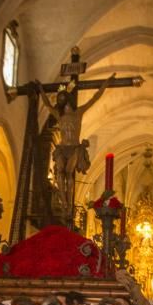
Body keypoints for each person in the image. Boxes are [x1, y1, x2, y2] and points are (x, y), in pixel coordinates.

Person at [36, 76, 114, 217]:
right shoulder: (59, 116)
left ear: (66, 99)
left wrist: (105, 84)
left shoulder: (78, 113)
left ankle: (69, 205)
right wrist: (41, 89)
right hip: (62, 148)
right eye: (58, 99)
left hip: (74, 148)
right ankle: (64, 201)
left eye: (61, 98)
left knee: (68, 174)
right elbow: (47, 104)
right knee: (59, 173)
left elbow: (94, 98)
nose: (59, 101)